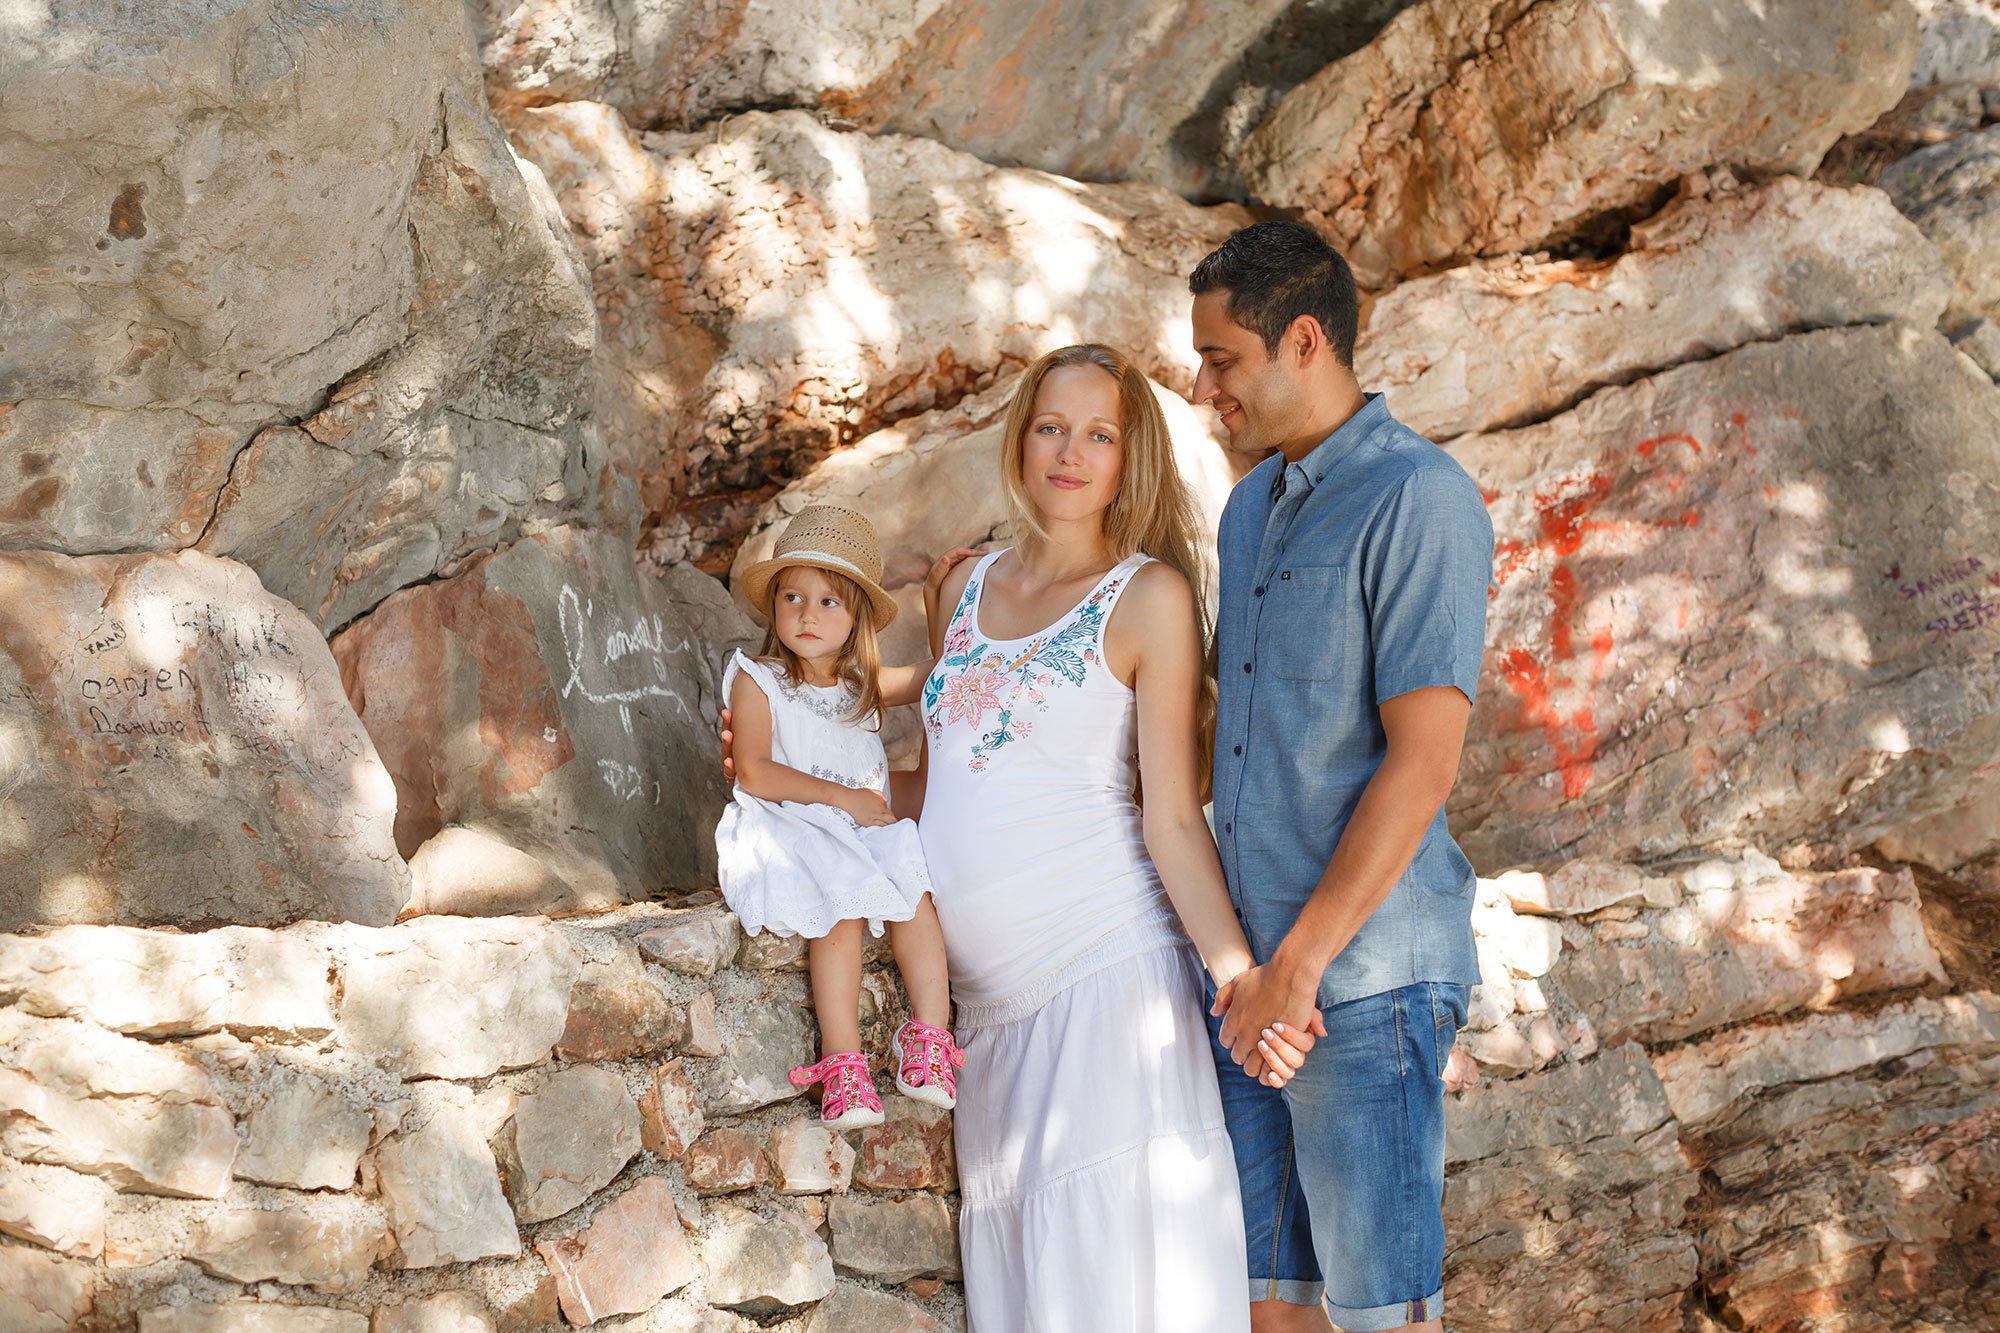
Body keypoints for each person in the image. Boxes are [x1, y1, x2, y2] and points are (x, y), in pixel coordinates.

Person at [916, 344, 1284, 1333]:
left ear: (1130, 459)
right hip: (990, 1023)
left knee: (1121, 1295)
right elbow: (944, 776)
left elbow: (1167, 814)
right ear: (1020, 438)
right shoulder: (961, 588)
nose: (1068, 453)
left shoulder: (1145, 598)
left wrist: (1235, 973)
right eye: (1050, 427)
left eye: (1097, 434)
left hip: (1104, 982)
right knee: (1034, 1302)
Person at [1193, 220, 1495, 1333]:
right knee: (1272, 1309)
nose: (1202, 385)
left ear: (1302, 339)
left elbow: (1423, 762)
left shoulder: (1420, 497)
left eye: (1220, 358)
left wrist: (1299, 969)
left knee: (1383, 1317)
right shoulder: (1246, 509)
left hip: (1358, 983)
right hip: (1247, 985)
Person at [717, 504, 962, 1129]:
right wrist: (841, 799)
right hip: (796, 827)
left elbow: (945, 677)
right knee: (842, 902)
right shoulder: (760, 679)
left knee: (912, 884)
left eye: (829, 602)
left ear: (856, 618)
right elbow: (754, 771)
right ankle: (843, 1063)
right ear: (773, 605)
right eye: (793, 596)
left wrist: (941, 604)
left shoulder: (862, 685)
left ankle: (930, 1037)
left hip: (859, 829)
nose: (806, 614)